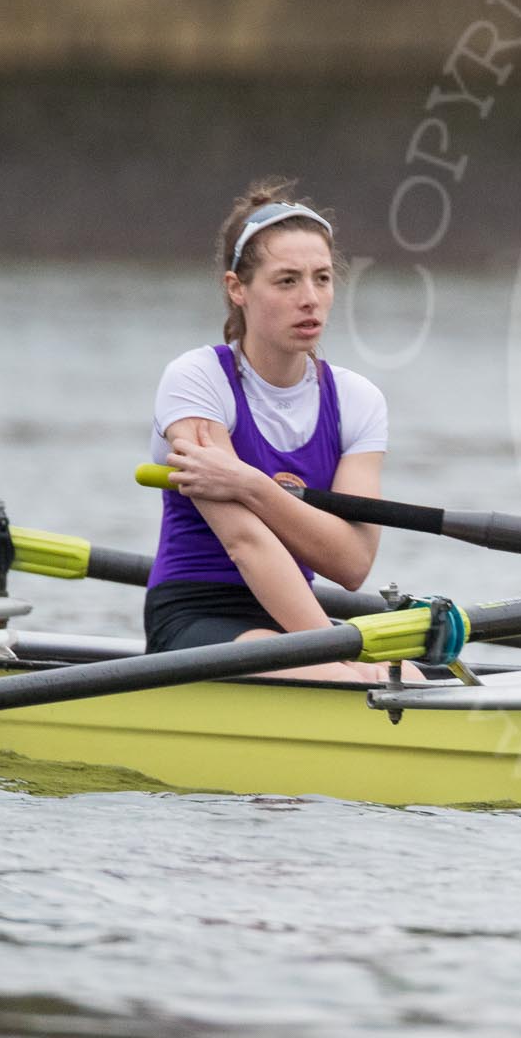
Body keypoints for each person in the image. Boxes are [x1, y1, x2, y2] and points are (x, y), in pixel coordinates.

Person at [145, 180, 393, 682]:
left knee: (409, 677)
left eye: (322, 279)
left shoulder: (358, 400)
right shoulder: (196, 381)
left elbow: (350, 564)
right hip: (196, 616)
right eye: (286, 282)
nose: (310, 299)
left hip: (291, 611)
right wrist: (337, 654)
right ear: (237, 288)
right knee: (352, 682)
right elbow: (245, 544)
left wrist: (251, 483)